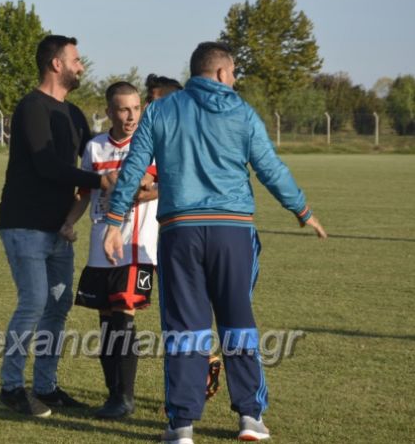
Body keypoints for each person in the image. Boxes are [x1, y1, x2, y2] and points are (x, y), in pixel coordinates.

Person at [103, 42, 327, 443]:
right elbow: (269, 167)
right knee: (238, 320)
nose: (235, 79)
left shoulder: (161, 110)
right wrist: (302, 210)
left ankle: (182, 425)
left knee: (184, 328)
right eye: (235, 72)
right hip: (233, 232)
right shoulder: (242, 112)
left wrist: (115, 220)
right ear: (223, 73)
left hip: (180, 231)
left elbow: (134, 166)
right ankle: (250, 419)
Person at [0, 35, 117, 418]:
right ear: (56, 64)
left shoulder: (75, 114)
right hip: (25, 226)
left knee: (58, 304)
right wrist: (101, 182)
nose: (82, 67)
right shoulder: (32, 108)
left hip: (59, 231)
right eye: (76, 60)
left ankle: (45, 387)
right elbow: (48, 166)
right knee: (34, 301)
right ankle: (12, 387)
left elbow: (97, 153)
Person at [59, 81, 158, 420]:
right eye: (123, 110)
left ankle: (125, 399)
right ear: (110, 111)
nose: (131, 116)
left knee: (123, 320)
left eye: (135, 108)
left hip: (135, 249)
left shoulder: (149, 144)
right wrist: (69, 222)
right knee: (105, 325)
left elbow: (162, 186)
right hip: (101, 247)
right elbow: (85, 193)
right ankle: (113, 394)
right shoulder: (96, 148)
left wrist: (138, 192)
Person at [144, 74, 224, 402]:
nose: (150, 106)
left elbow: (167, 183)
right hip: (155, 236)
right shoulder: (157, 133)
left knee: (181, 315)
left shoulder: (178, 137)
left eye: (155, 99)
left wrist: (145, 189)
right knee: (181, 313)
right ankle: (200, 366)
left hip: (175, 237)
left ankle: (187, 386)